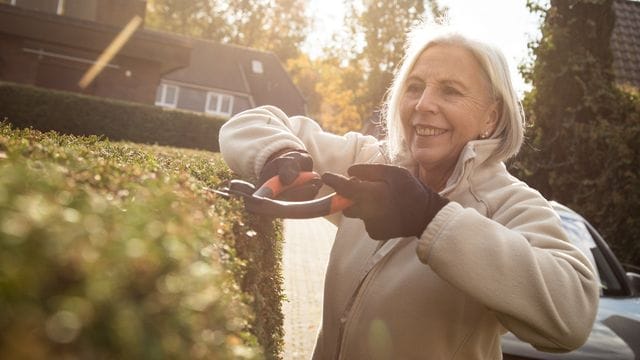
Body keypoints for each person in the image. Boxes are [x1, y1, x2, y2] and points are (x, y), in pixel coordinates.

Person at [219, 24, 599, 360]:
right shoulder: (370, 161)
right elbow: (252, 122)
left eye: (450, 91)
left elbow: (573, 316)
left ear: (491, 117)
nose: (423, 104)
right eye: (415, 87)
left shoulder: (509, 204)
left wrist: (430, 218)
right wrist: (282, 153)